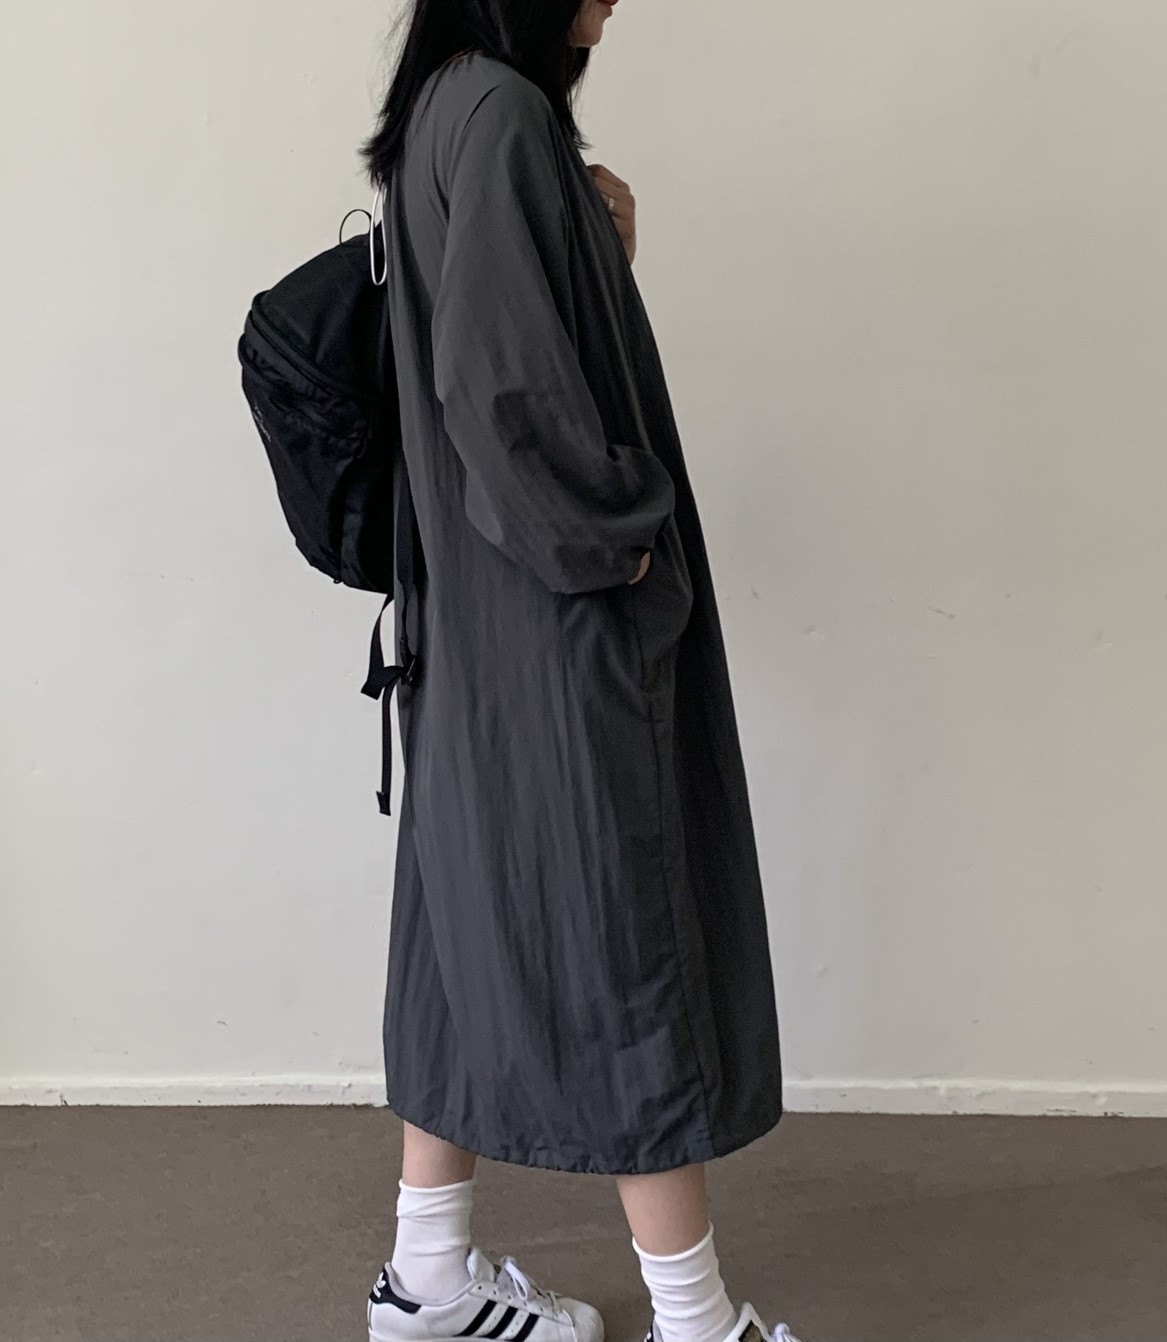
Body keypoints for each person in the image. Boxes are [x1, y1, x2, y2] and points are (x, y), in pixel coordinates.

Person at [360, 3, 793, 1342]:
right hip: (559, 620)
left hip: (477, 618)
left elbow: (488, 350)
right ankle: (697, 1322)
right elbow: (502, 395)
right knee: (627, 936)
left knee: (465, 921)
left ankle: (426, 1278)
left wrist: (596, 251)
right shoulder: (500, 115)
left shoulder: (454, 103)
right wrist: (622, 547)